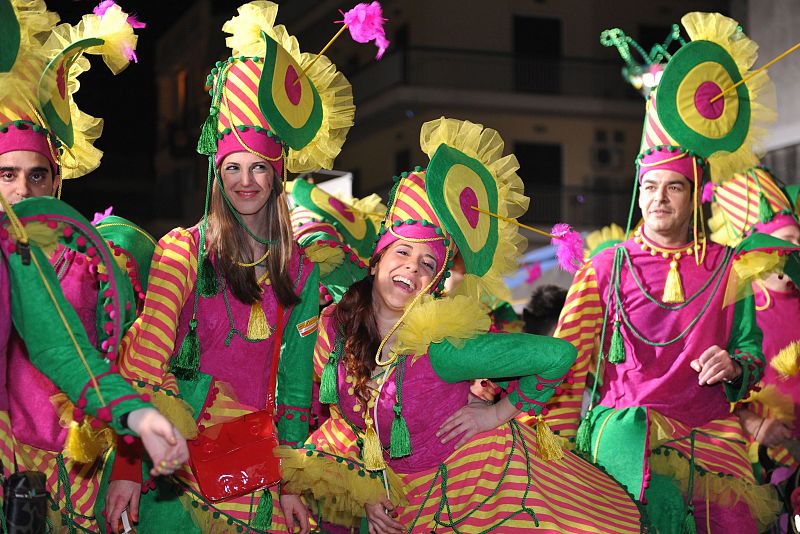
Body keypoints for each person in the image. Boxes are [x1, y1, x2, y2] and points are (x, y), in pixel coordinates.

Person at [278, 117, 643, 533]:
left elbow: (558, 355)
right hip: (394, 494)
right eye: (402, 252)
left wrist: (495, 416)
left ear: (434, 282)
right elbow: (350, 425)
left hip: (475, 490)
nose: (412, 268)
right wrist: (368, 492)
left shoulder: (442, 345)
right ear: (377, 259)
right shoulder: (333, 327)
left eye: (427, 264)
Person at [101, 2, 354, 532]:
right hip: (171, 465)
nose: (245, 181)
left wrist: (286, 482)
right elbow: (146, 361)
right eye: (232, 168)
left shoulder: (301, 274)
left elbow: (294, 391)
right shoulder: (182, 251)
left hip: (250, 474)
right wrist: (127, 465)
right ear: (216, 174)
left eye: (259, 167)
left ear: (276, 175)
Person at [545, 12, 797, 533]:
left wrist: (734, 365)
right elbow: (567, 365)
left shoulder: (729, 265)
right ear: (638, 191)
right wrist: (546, 452)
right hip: (626, 438)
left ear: (693, 195)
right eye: (650, 187)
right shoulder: (606, 266)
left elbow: (750, 353)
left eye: (673, 187)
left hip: (713, 439)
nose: (659, 199)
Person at [0, 2, 188, 531]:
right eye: (6, 173)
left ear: (56, 184)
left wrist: (137, 417)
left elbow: (62, 349)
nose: (20, 191)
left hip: (47, 464)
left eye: (36, 176)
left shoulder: (29, 260)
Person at [707, 166, 800, 531]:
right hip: (753, 460)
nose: (791, 253)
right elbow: (713, 382)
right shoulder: (740, 307)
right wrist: (754, 423)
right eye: (784, 243)